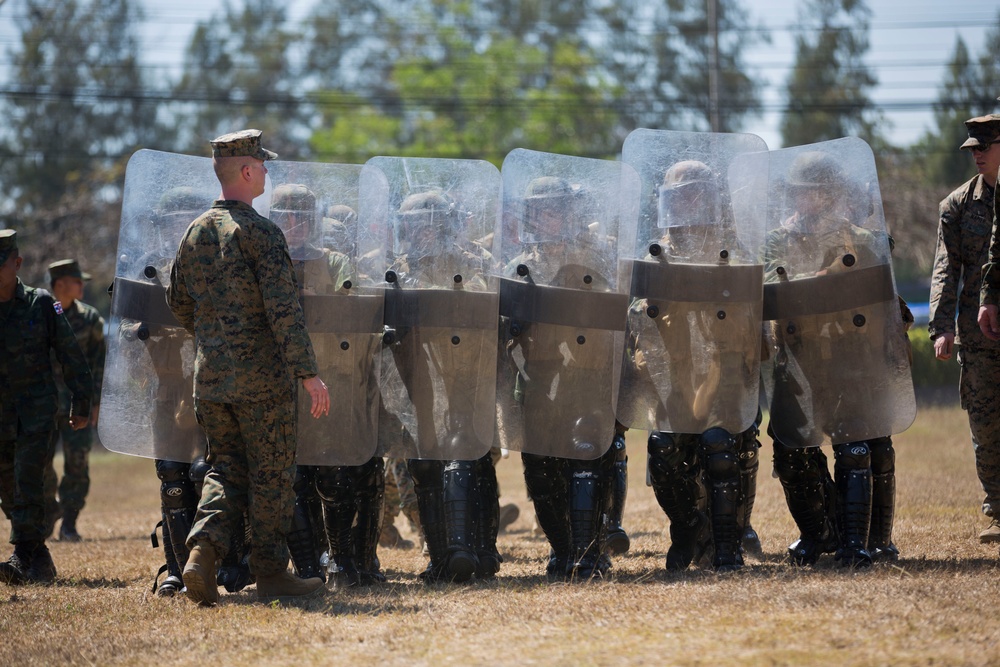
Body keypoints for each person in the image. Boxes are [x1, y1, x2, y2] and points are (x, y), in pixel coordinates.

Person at [166, 129, 330, 606]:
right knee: (273, 475)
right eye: (261, 164)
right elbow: (284, 311)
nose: (267, 171)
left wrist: (215, 337)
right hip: (263, 383)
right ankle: (271, 573)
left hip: (211, 380)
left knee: (225, 469)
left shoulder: (194, 231)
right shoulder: (261, 232)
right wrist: (308, 373)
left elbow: (177, 302)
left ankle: (201, 554)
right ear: (245, 170)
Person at [764, 147, 911, 567]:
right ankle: (818, 533)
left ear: (831, 194)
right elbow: (768, 292)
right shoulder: (776, 240)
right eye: (798, 192)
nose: (805, 200)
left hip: (852, 361)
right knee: (791, 454)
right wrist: (822, 280)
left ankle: (857, 543)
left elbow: (887, 301)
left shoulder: (863, 241)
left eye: (814, 192)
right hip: (799, 361)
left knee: (857, 448)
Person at [631, 161, 762, 571]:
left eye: (697, 194)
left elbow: (754, 307)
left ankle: (727, 546)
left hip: (724, 377)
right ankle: (688, 529)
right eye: (680, 196)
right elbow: (635, 311)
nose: (689, 203)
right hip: (672, 379)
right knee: (662, 450)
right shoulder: (654, 254)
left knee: (719, 447)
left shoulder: (733, 248)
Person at [500, 174, 621, 580]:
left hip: (589, 375)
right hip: (537, 379)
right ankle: (562, 549)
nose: (549, 218)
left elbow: (621, 309)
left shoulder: (599, 254)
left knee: (587, 457)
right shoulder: (519, 265)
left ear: (571, 213)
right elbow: (500, 324)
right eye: (541, 211)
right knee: (540, 467)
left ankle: (590, 554)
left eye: (557, 210)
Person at [384, 188, 503, 583]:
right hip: (418, 378)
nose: (420, 235)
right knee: (425, 462)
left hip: (470, 372)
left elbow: (490, 304)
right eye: (412, 228)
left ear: (447, 226)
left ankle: (483, 549)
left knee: (475, 457)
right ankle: (441, 556)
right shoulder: (395, 268)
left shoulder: (475, 260)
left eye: (428, 227)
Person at [0, 230, 93, 585]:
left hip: (36, 412)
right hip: (1, 415)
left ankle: (22, 558)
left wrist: (81, 401)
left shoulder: (41, 303)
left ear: (17, 263)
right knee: (7, 487)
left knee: (27, 480)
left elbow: (70, 353)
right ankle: (40, 559)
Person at [937, 114, 1000, 543]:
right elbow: (946, 269)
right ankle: (998, 509)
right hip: (976, 337)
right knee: (986, 424)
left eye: (985, 146)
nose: (977, 155)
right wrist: (941, 328)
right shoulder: (956, 206)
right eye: (972, 148)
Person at [39, 259, 105, 543]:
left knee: (77, 463)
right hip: (42, 404)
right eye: (77, 281)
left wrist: (96, 402)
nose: (82, 286)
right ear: (60, 285)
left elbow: (100, 363)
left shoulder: (90, 320)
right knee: (40, 463)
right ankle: (50, 509)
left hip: (78, 404)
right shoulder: (40, 314)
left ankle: (69, 521)